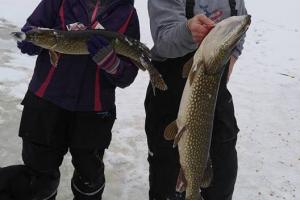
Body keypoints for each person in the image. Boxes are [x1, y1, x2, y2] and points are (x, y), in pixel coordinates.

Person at [1, 0, 140, 199]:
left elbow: (128, 75)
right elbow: (31, 29)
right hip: (45, 103)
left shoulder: (127, 14)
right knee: (38, 175)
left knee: (89, 178)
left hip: (94, 111)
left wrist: (113, 64)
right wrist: (30, 40)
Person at [144, 0, 247, 199]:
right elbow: (164, 40)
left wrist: (232, 56)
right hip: (170, 93)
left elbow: (239, 24)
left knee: (222, 174)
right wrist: (187, 31)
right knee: (167, 181)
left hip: (213, 89)